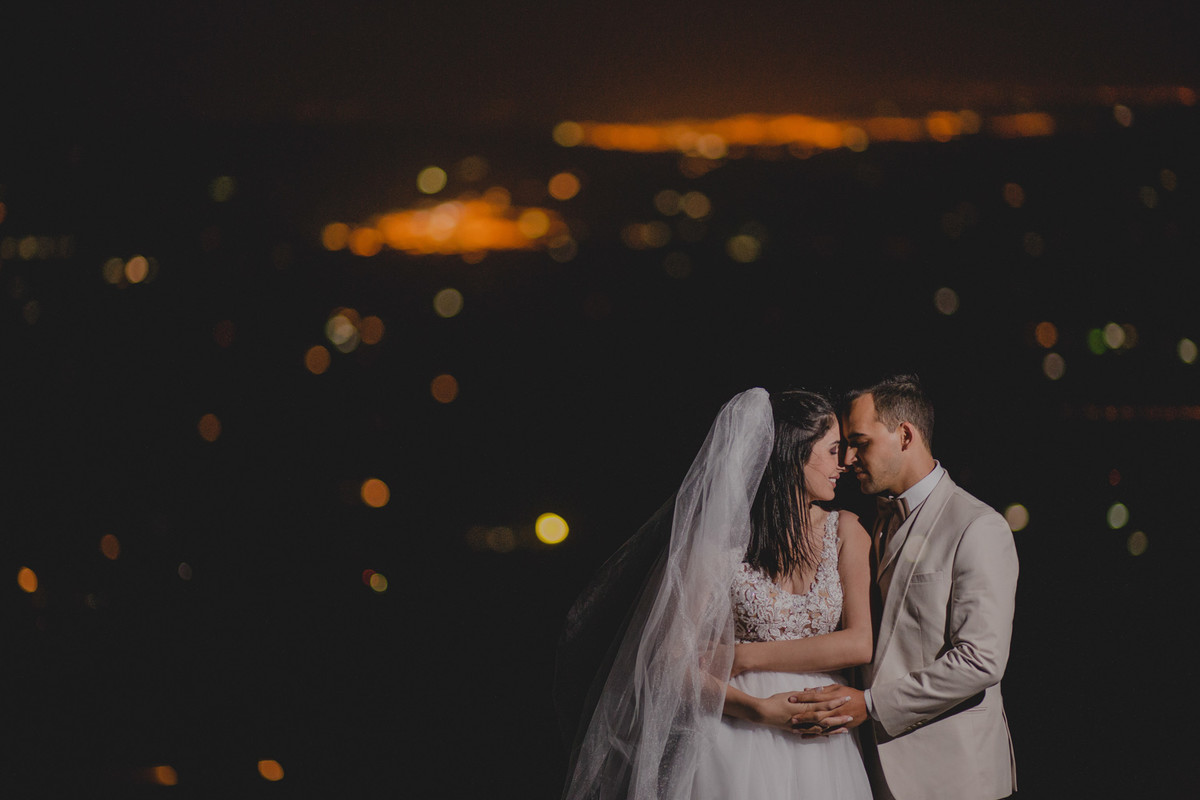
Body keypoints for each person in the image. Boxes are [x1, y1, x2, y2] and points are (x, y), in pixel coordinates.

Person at [558, 388, 874, 800]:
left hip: (822, 735)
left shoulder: (846, 529)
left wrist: (743, 656)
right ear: (796, 453)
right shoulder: (721, 542)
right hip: (734, 730)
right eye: (833, 451)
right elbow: (670, 664)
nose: (843, 464)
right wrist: (759, 710)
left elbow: (859, 642)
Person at [761, 375, 1019, 800]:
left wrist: (870, 705)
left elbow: (982, 660)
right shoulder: (871, 520)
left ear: (905, 435)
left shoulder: (977, 526)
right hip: (867, 768)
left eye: (860, 442)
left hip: (953, 775)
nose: (848, 457)